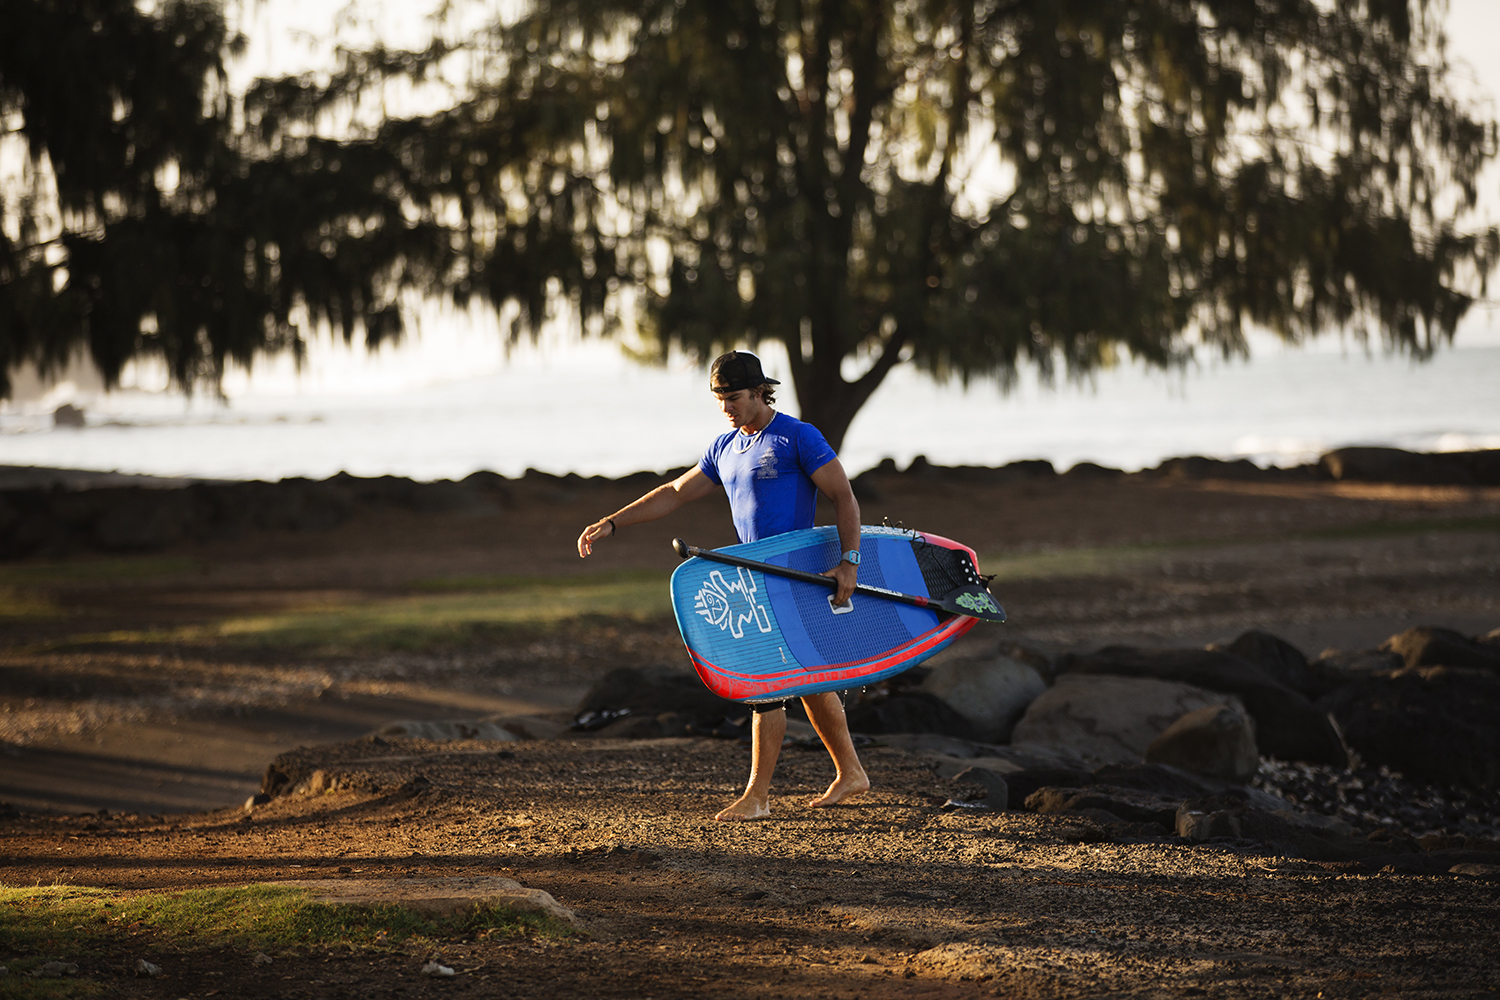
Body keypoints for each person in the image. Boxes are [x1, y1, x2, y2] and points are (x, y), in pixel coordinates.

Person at [576, 350, 870, 821]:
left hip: (792, 574)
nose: (726, 408)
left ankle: (757, 797)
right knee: (809, 677)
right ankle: (851, 772)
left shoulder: (798, 437)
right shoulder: (724, 448)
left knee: (767, 683)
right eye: (718, 399)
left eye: (733, 398)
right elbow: (675, 492)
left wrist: (849, 562)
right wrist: (614, 521)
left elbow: (844, 497)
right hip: (755, 577)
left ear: (759, 391)